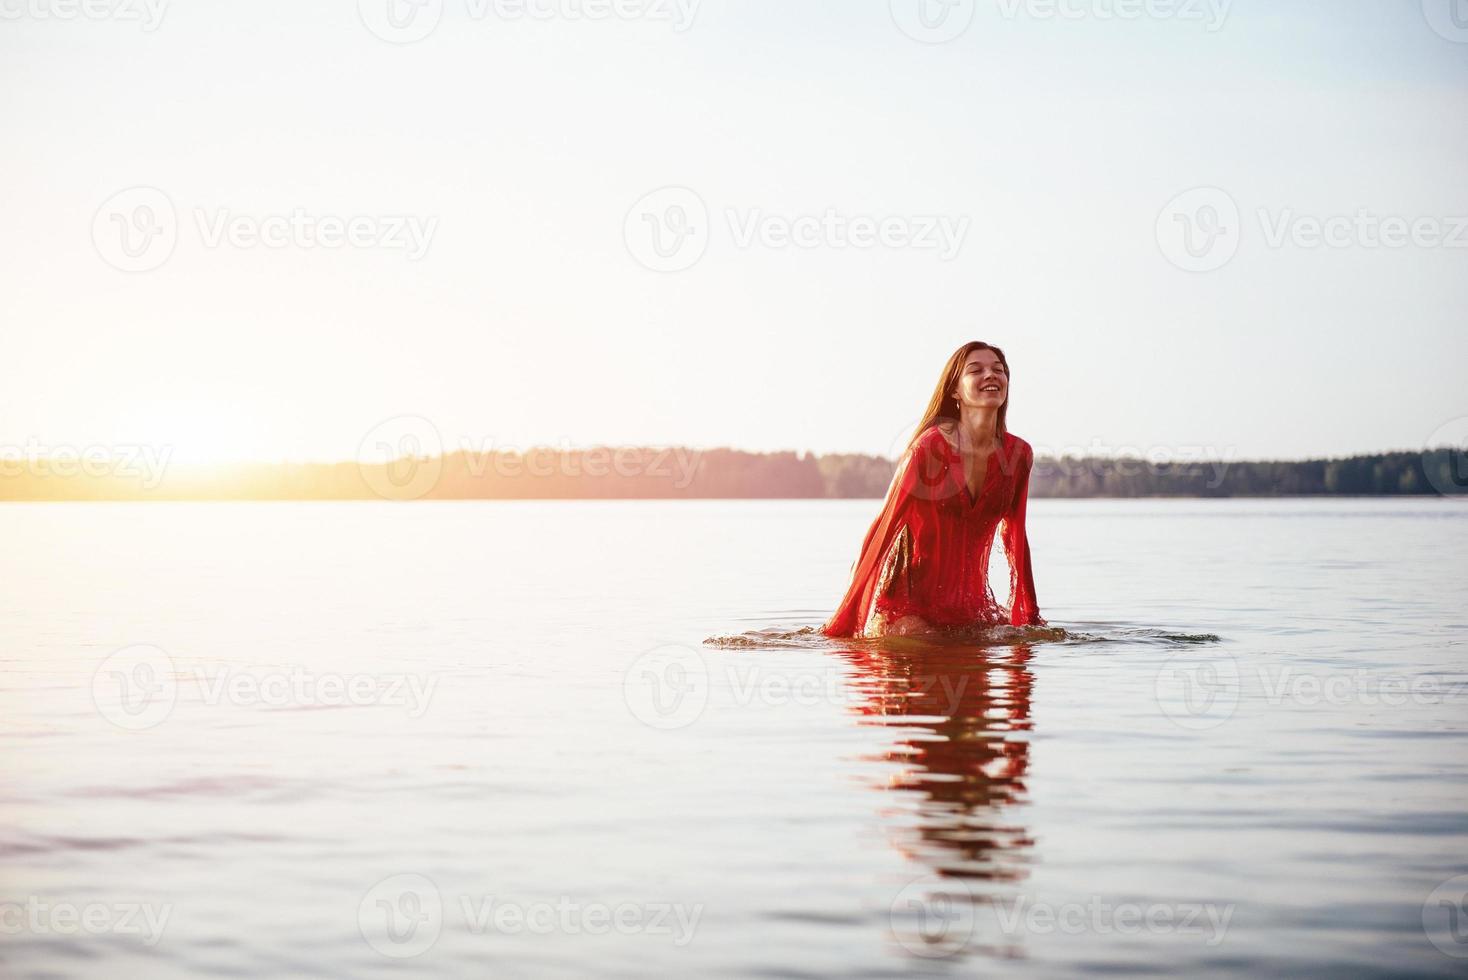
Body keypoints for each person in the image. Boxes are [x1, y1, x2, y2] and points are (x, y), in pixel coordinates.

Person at [822, 341, 1046, 638]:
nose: (991, 375)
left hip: (973, 610)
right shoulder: (929, 449)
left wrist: (1029, 617)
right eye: (976, 370)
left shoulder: (1019, 455)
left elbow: (1016, 537)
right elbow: (882, 530)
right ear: (955, 390)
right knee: (924, 643)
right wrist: (847, 621)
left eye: (999, 370)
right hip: (912, 610)